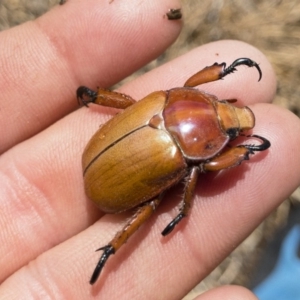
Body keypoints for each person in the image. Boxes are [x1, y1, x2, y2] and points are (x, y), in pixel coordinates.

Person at [0, 1, 299, 299]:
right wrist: (237, 156)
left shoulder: (169, 103)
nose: (230, 115)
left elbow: (193, 102)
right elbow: (204, 166)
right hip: (107, 176)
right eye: (225, 115)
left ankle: (112, 247)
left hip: (104, 164)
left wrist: (239, 148)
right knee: (152, 205)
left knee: (136, 113)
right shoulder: (191, 157)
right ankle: (113, 247)